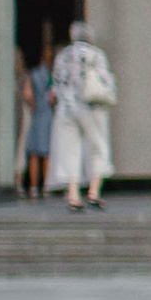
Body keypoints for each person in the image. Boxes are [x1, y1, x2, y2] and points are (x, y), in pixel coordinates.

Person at [46, 21, 116, 210]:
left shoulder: (63, 56)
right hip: (90, 107)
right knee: (99, 147)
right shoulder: (95, 54)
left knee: (70, 151)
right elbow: (106, 80)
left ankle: (74, 195)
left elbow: (56, 83)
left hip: (66, 109)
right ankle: (94, 191)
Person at [18, 33, 56, 197]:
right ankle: (46, 185)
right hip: (47, 114)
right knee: (46, 152)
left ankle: (33, 186)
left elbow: (27, 94)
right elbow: (52, 97)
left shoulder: (33, 74)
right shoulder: (51, 76)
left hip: (36, 114)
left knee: (33, 152)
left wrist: (33, 104)